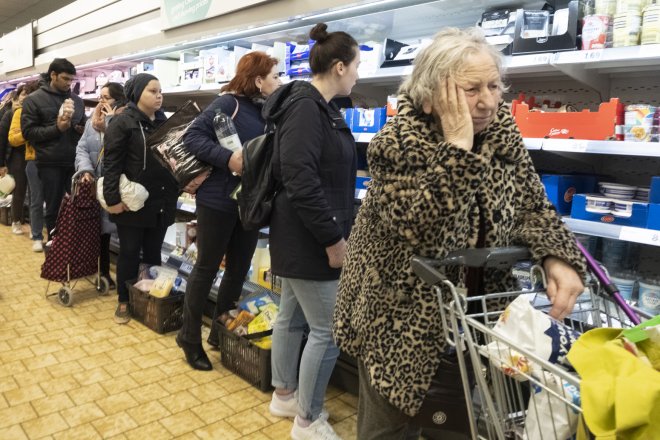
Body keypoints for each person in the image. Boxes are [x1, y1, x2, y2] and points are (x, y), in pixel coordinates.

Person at [332, 27, 587, 439]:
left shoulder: (503, 133)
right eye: (471, 89)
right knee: (387, 428)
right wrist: (458, 147)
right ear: (432, 93)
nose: (487, 101)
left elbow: (531, 203)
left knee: (460, 422)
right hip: (397, 319)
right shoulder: (396, 143)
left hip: (477, 315)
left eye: (493, 85)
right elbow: (421, 229)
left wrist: (556, 255)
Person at [263, 23, 359, 440]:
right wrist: (333, 240)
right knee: (328, 330)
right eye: (356, 65)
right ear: (339, 66)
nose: (359, 73)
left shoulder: (318, 106)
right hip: (311, 237)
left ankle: (284, 394)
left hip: (302, 232)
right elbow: (301, 179)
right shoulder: (306, 106)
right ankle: (308, 420)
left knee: (292, 316)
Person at [176, 51, 282, 370]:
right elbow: (192, 137)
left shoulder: (269, 111)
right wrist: (227, 159)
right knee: (207, 267)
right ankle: (190, 337)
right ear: (258, 80)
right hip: (218, 199)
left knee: (238, 269)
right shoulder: (228, 103)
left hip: (248, 202)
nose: (280, 81)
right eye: (275, 76)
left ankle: (220, 331)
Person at [102, 73, 178, 324]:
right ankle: (124, 300)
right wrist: (112, 199)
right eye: (152, 91)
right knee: (130, 252)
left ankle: (149, 298)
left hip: (161, 200)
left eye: (160, 91)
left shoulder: (164, 122)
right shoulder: (123, 122)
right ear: (137, 94)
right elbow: (111, 165)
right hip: (133, 202)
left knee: (154, 252)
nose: (159, 96)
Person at [20, 58, 86, 242]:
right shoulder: (34, 100)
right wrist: (57, 128)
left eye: (71, 80)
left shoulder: (77, 101)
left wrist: (81, 128)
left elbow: (82, 126)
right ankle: (53, 249)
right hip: (49, 162)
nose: (68, 83)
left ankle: (74, 247)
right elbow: (28, 133)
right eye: (65, 78)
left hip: (75, 162)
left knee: (78, 206)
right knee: (53, 208)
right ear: (53, 75)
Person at [75, 82, 127, 289]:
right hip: (96, 184)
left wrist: (113, 121)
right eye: (100, 97)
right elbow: (82, 148)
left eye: (106, 98)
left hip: (118, 186)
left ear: (119, 100)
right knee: (101, 232)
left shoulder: (125, 120)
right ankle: (103, 273)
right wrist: (86, 170)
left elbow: (123, 148)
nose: (101, 102)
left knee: (123, 233)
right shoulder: (92, 121)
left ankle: (126, 280)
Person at [7, 81, 41, 246]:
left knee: (35, 195)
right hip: (19, 156)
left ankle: (35, 227)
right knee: (20, 190)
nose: (26, 97)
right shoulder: (14, 113)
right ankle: (16, 220)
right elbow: (8, 139)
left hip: (37, 157)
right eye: (24, 94)